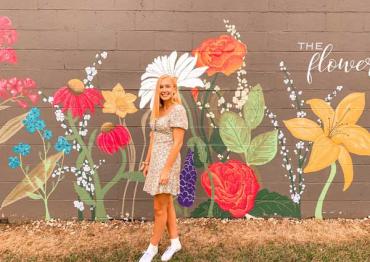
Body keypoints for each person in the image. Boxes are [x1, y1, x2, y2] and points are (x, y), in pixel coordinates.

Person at [138, 74, 188, 262]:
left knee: (159, 208)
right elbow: (154, 138)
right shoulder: (159, 110)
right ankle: (175, 242)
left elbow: (178, 143)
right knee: (166, 203)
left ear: (174, 89)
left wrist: (166, 170)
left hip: (169, 162)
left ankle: (152, 248)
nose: (164, 90)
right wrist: (147, 161)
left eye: (168, 86)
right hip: (156, 162)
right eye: (161, 87)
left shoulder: (178, 110)